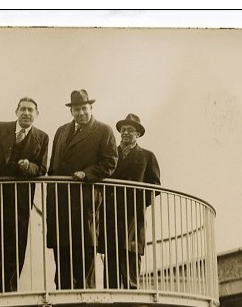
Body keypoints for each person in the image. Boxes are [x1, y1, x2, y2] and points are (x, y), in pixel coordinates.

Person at [0, 97, 49, 293]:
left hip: (21, 200)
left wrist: (28, 167)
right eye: (23, 109)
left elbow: (42, 168)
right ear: (16, 111)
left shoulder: (42, 137)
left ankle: (12, 289)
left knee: (17, 245)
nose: (26, 113)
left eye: (31, 110)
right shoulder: (0, 128)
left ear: (36, 114)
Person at [46, 89, 118, 290]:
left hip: (84, 201)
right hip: (60, 203)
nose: (80, 113)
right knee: (62, 252)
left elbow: (110, 162)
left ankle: (84, 296)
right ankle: (63, 297)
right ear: (71, 111)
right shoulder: (61, 131)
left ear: (91, 108)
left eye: (84, 109)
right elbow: (53, 166)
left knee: (84, 252)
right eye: (76, 109)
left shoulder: (104, 130)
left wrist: (87, 174)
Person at [100, 113, 161, 289]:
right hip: (110, 214)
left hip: (133, 215)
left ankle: (132, 292)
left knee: (131, 253)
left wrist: (139, 203)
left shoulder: (147, 156)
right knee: (111, 256)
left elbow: (155, 186)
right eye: (123, 130)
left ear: (138, 134)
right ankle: (110, 294)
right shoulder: (111, 154)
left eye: (130, 130)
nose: (126, 133)